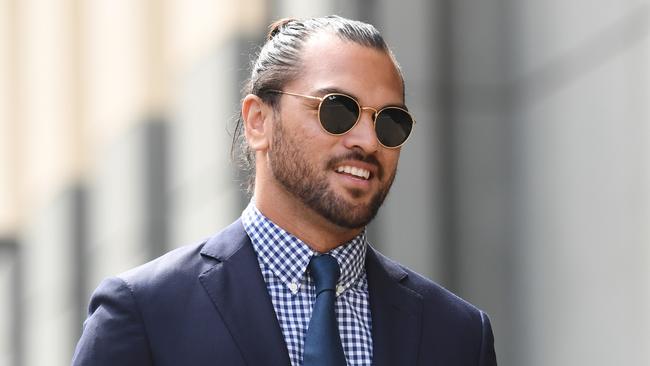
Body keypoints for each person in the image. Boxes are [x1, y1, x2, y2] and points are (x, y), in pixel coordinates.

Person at [72, 15, 497, 366]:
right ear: (259, 121)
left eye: (390, 122)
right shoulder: (147, 312)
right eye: (337, 109)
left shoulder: (458, 334)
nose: (368, 141)